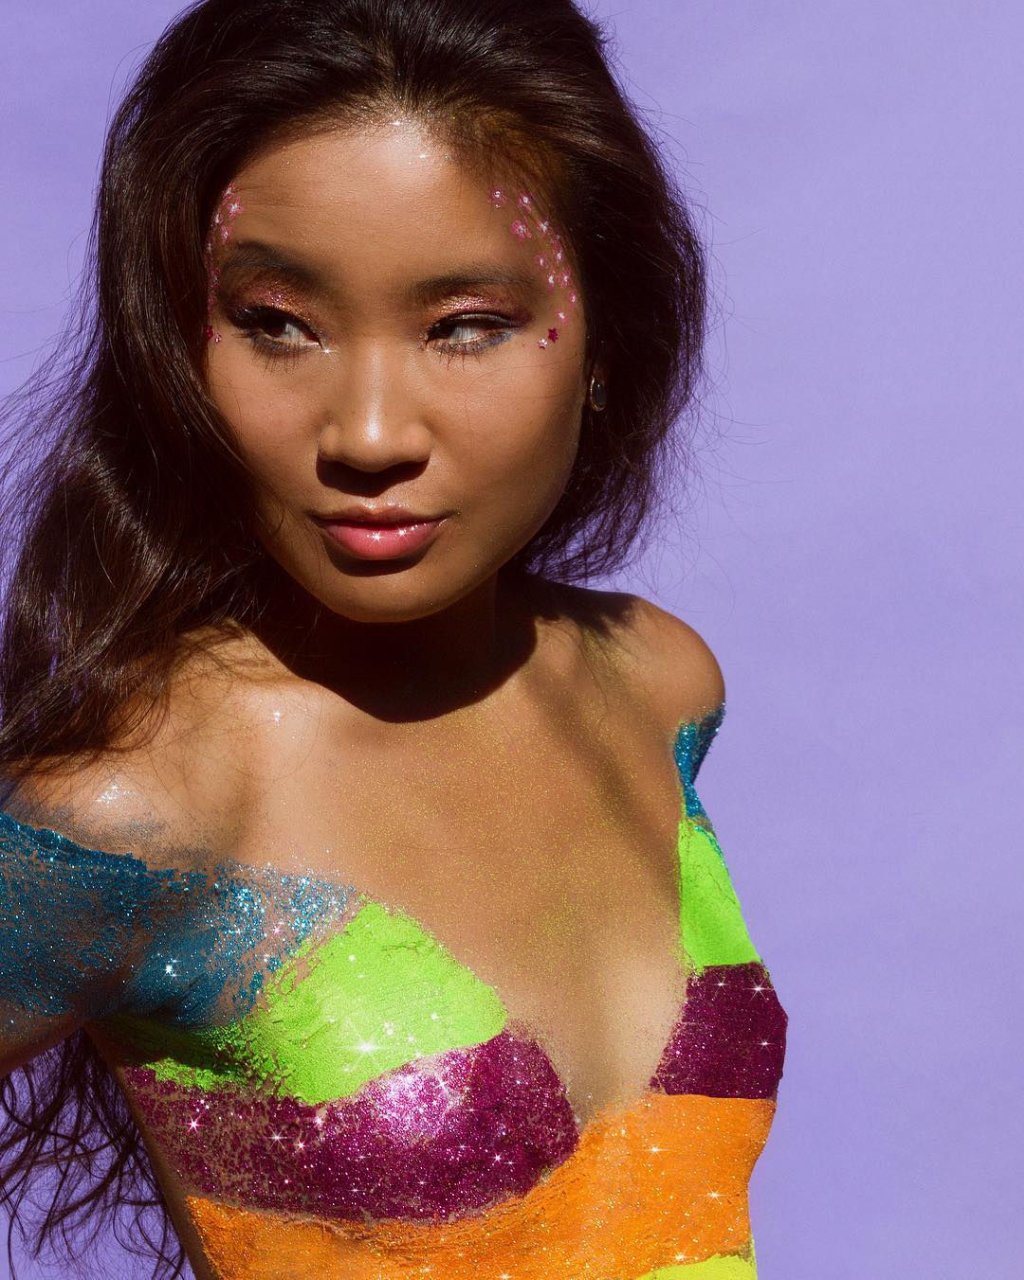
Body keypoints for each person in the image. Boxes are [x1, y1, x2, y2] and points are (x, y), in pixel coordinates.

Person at [0, 1, 787, 1277]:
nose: (368, 432)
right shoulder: (137, 813)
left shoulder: (654, 686)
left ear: (607, 335)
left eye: (465, 324)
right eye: (277, 321)